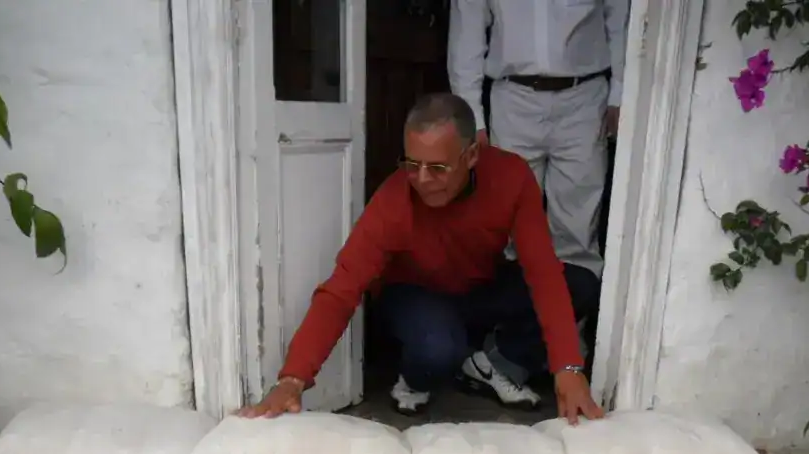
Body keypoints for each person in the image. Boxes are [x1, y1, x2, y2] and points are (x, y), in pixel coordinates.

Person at [240, 93, 604, 424]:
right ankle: (415, 378)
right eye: (412, 165)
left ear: (472, 155)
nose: (422, 179)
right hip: (413, 295)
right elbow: (340, 289)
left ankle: (492, 365)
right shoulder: (393, 202)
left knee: (581, 285)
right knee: (439, 348)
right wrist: (292, 379)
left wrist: (568, 367)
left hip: (477, 288)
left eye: (438, 168)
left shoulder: (511, 177)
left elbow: (542, 273)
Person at [448, 0, 629, 277]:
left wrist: (621, 92)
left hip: (584, 97)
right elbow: (466, 35)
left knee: (578, 230)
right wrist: (471, 116)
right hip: (513, 99)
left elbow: (621, 20)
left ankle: (571, 316)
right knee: (509, 223)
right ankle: (518, 316)